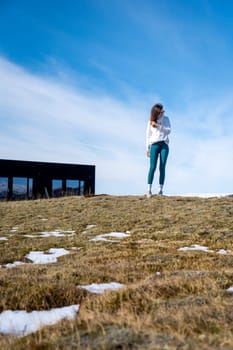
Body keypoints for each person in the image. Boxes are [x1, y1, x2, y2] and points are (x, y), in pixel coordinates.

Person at [146, 103, 171, 197]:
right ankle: (149, 190)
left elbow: (169, 130)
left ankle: (160, 190)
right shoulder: (150, 121)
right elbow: (147, 136)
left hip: (164, 144)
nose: (163, 113)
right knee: (152, 167)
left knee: (162, 167)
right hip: (154, 145)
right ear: (156, 113)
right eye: (161, 112)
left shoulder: (166, 119)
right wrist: (147, 148)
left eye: (163, 111)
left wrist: (158, 126)